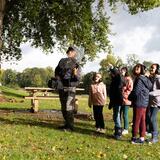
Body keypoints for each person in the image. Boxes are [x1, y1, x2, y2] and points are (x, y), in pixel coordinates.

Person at [55, 46, 81, 131]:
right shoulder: (62, 61)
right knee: (63, 107)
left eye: (72, 51)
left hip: (70, 88)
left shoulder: (77, 64)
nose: (70, 52)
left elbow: (78, 80)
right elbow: (57, 73)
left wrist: (75, 74)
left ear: (75, 53)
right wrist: (58, 81)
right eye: (69, 50)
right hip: (62, 87)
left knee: (68, 107)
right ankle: (66, 124)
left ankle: (70, 127)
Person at [129, 64, 152, 144]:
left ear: (142, 69)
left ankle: (134, 138)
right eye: (135, 67)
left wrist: (129, 97)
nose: (136, 68)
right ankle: (142, 138)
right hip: (144, 103)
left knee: (136, 120)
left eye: (138, 68)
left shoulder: (139, 79)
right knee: (142, 120)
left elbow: (135, 92)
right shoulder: (146, 79)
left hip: (139, 102)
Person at [109, 67, 125, 139]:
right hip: (114, 100)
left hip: (118, 100)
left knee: (116, 115)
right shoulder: (115, 80)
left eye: (112, 73)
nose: (111, 74)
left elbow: (119, 77)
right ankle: (117, 131)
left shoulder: (119, 79)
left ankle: (118, 133)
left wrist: (112, 68)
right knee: (115, 115)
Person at [147, 63, 160, 143]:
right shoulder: (151, 78)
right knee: (149, 118)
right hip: (151, 102)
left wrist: (151, 93)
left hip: (157, 102)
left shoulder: (158, 78)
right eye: (151, 67)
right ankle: (153, 136)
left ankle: (155, 137)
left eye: (153, 68)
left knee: (152, 118)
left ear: (157, 70)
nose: (151, 69)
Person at [120, 67, 133, 135]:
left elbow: (130, 89)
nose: (122, 71)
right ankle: (119, 127)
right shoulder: (120, 78)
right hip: (120, 99)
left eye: (124, 70)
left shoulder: (128, 79)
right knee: (119, 114)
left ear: (126, 71)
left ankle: (126, 128)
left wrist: (124, 95)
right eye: (121, 70)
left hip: (126, 100)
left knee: (125, 114)